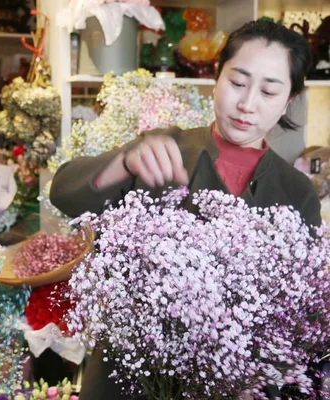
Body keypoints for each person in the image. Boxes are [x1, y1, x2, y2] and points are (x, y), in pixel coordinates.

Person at [50, 20, 321, 399]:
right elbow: (63, 193)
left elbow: (299, 313)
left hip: (231, 385)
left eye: (269, 91)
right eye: (237, 83)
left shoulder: (297, 192)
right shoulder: (164, 147)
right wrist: (125, 162)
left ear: (288, 100)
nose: (247, 104)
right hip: (131, 375)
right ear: (216, 77)